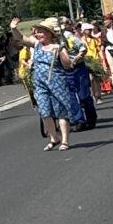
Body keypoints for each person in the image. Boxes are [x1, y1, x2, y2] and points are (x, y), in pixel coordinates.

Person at [30, 24, 77, 152]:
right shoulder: (37, 45)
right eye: (36, 32)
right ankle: (54, 138)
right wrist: (13, 28)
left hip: (57, 83)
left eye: (40, 32)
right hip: (40, 85)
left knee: (61, 111)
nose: (37, 34)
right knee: (44, 111)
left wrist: (61, 51)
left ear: (49, 33)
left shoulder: (58, 47)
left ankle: (65, 140)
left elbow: (67, 65)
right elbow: (21, 38)